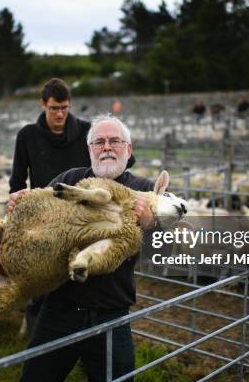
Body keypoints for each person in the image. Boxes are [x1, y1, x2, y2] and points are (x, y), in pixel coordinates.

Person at [8, 115, 156, 382]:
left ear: (128, 149)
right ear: (89, 150)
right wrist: (18, 203)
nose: (107, 147)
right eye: (99, 142)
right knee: (36, 377)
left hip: (111, 312)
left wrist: (149, 222)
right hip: (61, 306)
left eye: (115, 141)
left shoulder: (143, 190)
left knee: (118, 379)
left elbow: (167, 245)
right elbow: (37, 210)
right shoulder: (71, 179)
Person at [9, 78, 92, 335]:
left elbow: (111, 164)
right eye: (54, 108)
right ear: (43, 104)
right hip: (42, 218)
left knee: (78, 277)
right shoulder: (28, 135)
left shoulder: (86, 132)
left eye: (64, 108)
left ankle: (78, 335)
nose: (60, 114)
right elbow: (17, 179)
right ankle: (39, 338)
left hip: (78, 217)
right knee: (41, 279)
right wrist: (15, 203)